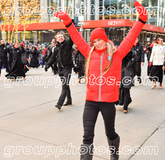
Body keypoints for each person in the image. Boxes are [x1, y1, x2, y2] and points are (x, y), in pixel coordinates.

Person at [53, 1, 147, 159]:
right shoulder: (89, 53)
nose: (96, 43)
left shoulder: (117, 54)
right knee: (87, 137)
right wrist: (68, 22)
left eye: (99, 40)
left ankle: (114, 154)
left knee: (110, 133)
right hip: (90, 101)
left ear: (104, 39)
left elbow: (131, 37)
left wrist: (142, 20)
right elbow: (76, 38)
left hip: (108, 102)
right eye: (94, 41)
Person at [45, 32, 74, 110]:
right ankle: (69, 100)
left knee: (64, 85)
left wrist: (71, 27)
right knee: (66, 85)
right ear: (57, 39)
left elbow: (73, 36)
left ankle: (59, 103)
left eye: (61, 36)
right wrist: (47, 65)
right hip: (60, 69)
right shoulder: (57, 48)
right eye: (59, 37)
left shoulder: (68, 43)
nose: (61, 38)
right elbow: (52, 57)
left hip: (67, 68)